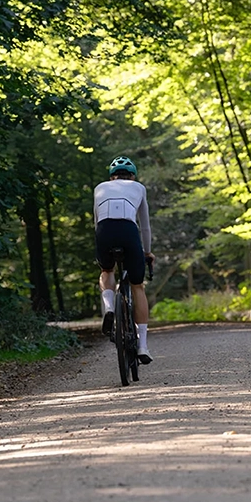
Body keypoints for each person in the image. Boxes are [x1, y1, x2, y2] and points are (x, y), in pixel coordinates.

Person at [94, 155, 154, 363]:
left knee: (107, 270)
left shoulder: (99, 188)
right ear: (133, 177)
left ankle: (109, 307)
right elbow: (144, 226)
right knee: (137, 286)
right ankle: (143, 346)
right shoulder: (138, 188)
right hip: (128, 230)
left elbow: (97, 221)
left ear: (112, 178)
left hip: (104, 231)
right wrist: (147, 252)